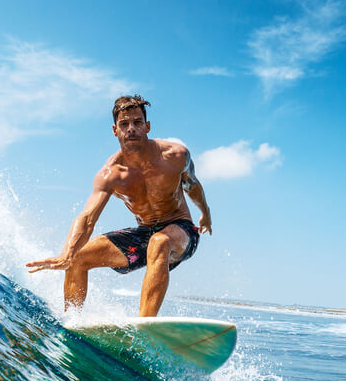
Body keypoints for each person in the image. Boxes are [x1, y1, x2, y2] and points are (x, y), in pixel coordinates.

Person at [26, 95, 212, 317]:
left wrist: (205, 213)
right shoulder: (111, 174)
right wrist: (66, 253)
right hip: (144, 235)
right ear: (115, 130)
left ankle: (145, 327)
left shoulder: (175, 156)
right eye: (124, 124)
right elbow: (87, 218)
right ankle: (71, 322)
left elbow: (192, 185)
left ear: (147, 126)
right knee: (78, 257)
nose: (131, 129)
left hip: (180, 231)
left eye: (137, 122)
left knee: (160, 241)